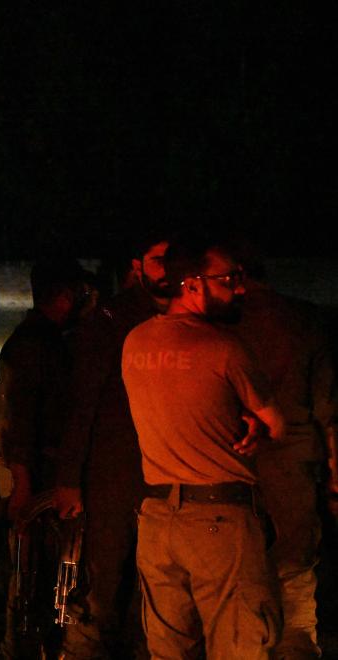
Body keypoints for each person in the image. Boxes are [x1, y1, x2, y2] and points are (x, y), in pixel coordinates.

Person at [121, 235, 284, 659]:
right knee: (240, 644)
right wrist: (250, 420)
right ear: (192, 285)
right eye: (228, 279)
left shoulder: (135, 342)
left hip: (156, 520)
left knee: (168, 651)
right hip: (220, 520)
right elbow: (275, 424)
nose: (239, 289)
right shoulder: (224, 347)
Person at [53, 234, 173, 659]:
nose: (168, 268)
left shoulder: (184, 317)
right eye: (159, 259)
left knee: (155, 589)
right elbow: (82, 403)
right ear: (138, 265)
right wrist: (70, 479)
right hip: (112, 473)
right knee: (102, 585)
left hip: (163, 476)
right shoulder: (111, 320)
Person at [228, 252, 335, 660]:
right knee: (295, 566)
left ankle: (250, 648)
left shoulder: (223, 322)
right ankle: (296, 648)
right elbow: (327, 405)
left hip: (236, 460)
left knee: (242, 569)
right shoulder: (306, 320)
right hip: (295, 459)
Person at [0, 258, 94, 658]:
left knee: (42, 579)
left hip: (36, 472)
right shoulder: (36, 344)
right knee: (28, 581)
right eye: (81, 293)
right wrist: (23, 485)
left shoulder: (42, 339)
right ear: (65, 296)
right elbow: (19, 420)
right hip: (33, 475)